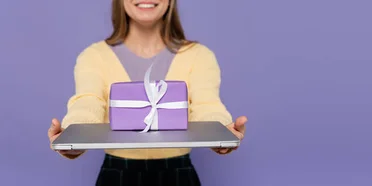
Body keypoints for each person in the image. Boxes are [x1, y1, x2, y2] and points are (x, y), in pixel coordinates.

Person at [46, 0, 247, 185]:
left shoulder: (199, 55)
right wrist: (74, 136)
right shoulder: (93, 56)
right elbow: (87, 103)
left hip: (178, 175)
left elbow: (207, 105)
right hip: (116, 175)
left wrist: (221, 131)